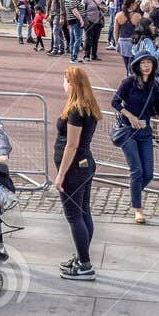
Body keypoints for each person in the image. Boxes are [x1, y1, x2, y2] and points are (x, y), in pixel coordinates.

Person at [54, 66, 101, 280]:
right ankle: (83, 257)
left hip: (74, 168)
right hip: (85, 164)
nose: (63, 84)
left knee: (74, 216)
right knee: (83, 212)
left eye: (65, 80)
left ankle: (85, 264)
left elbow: (71, 145)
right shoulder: (88, 105)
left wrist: (61, 173)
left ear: (72, 83)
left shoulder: (76, 109)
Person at [110, 52, 159, 224]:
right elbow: (115, 102)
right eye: (143, 63)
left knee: (148, 174)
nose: (146, 65)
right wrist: (130, 115)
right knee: (137, 171)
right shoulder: (128, 82)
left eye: (149, 62)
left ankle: (134, 194)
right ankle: (138, 210)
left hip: (145, 132)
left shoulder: (155, 85)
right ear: (137, 65)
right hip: (128, 130)